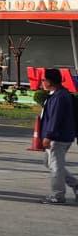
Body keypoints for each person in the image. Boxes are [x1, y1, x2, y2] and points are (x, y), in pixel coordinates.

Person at [38, 68, 78, 205]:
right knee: (49, 163)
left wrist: (48, 136)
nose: (41, 82)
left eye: (43, 80)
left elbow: (56, 118)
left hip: (58, 138)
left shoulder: (60, 97)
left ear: (50, 81)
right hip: (59, 136)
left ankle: (58, 195)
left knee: (55, 166)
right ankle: (76, 184)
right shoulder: (56, 94)